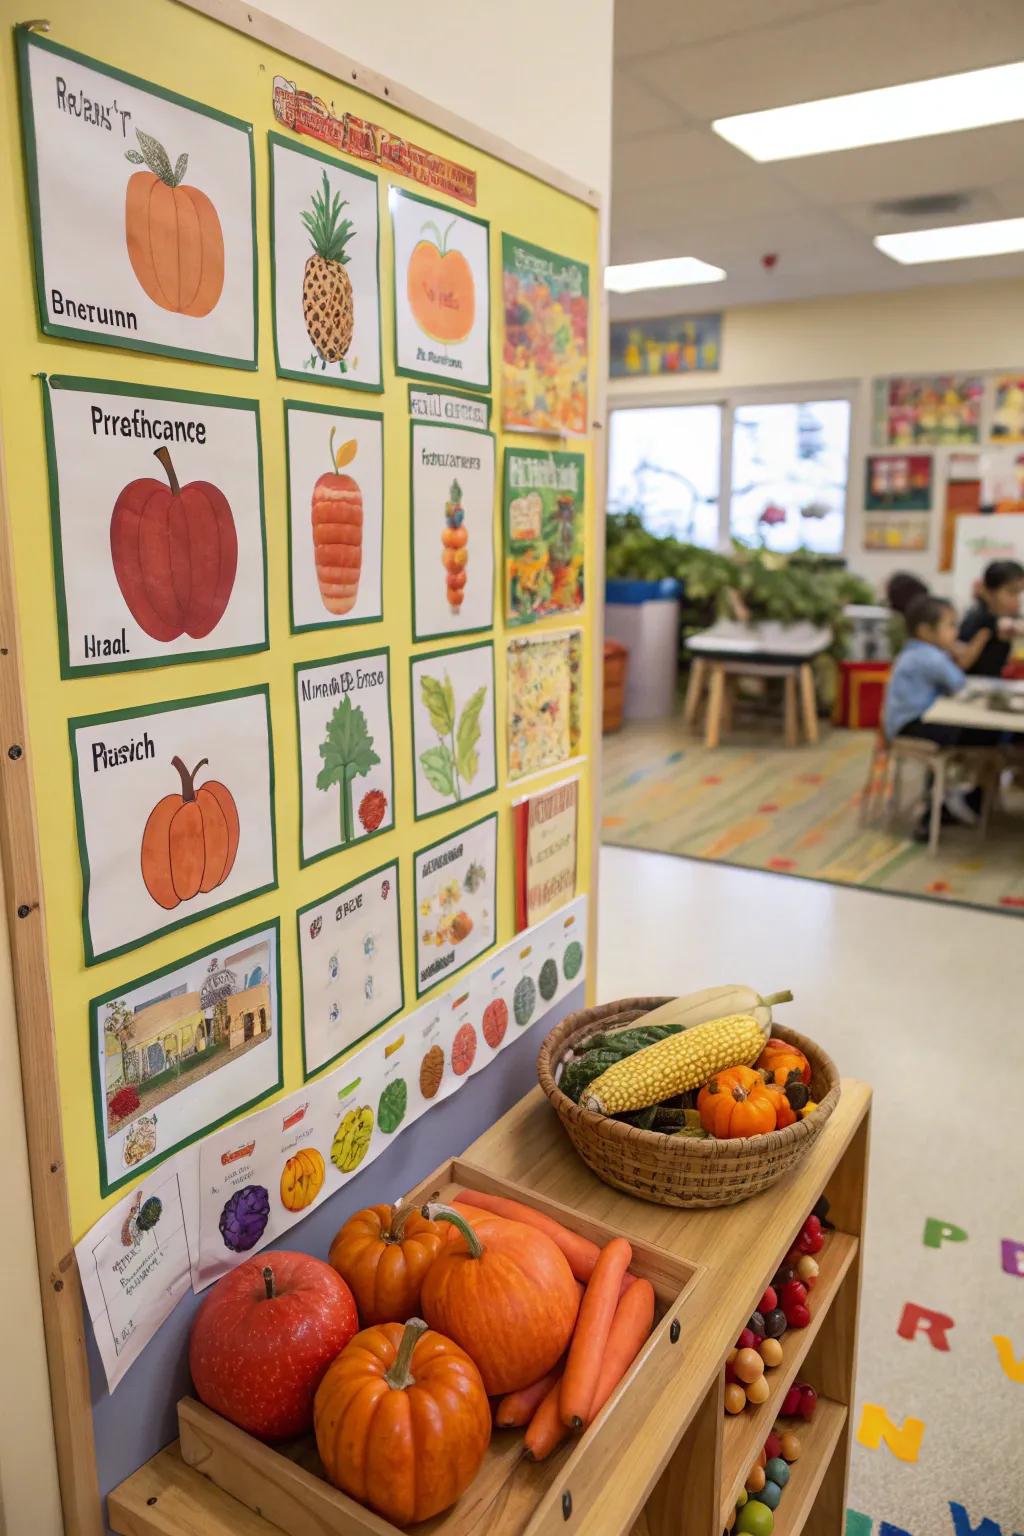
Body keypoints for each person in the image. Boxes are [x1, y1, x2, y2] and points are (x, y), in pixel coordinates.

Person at [884, 593, 996, 838]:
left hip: (905, 724)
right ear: (925, 631)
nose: (956, 632)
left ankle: (947, 798)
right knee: (985, 736)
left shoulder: (915, 652)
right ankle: (956, 797)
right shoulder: (929, 656)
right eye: (950, 626)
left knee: (976, 735)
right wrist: (957, 652)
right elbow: (958, 683)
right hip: (915, 726)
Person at [957, 559, 1024, 677]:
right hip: (974, 682)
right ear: (989, 592)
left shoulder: (1004, 616)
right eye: (1011, 592)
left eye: (1019, 593)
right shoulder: (979, 619)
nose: (1016, 600)